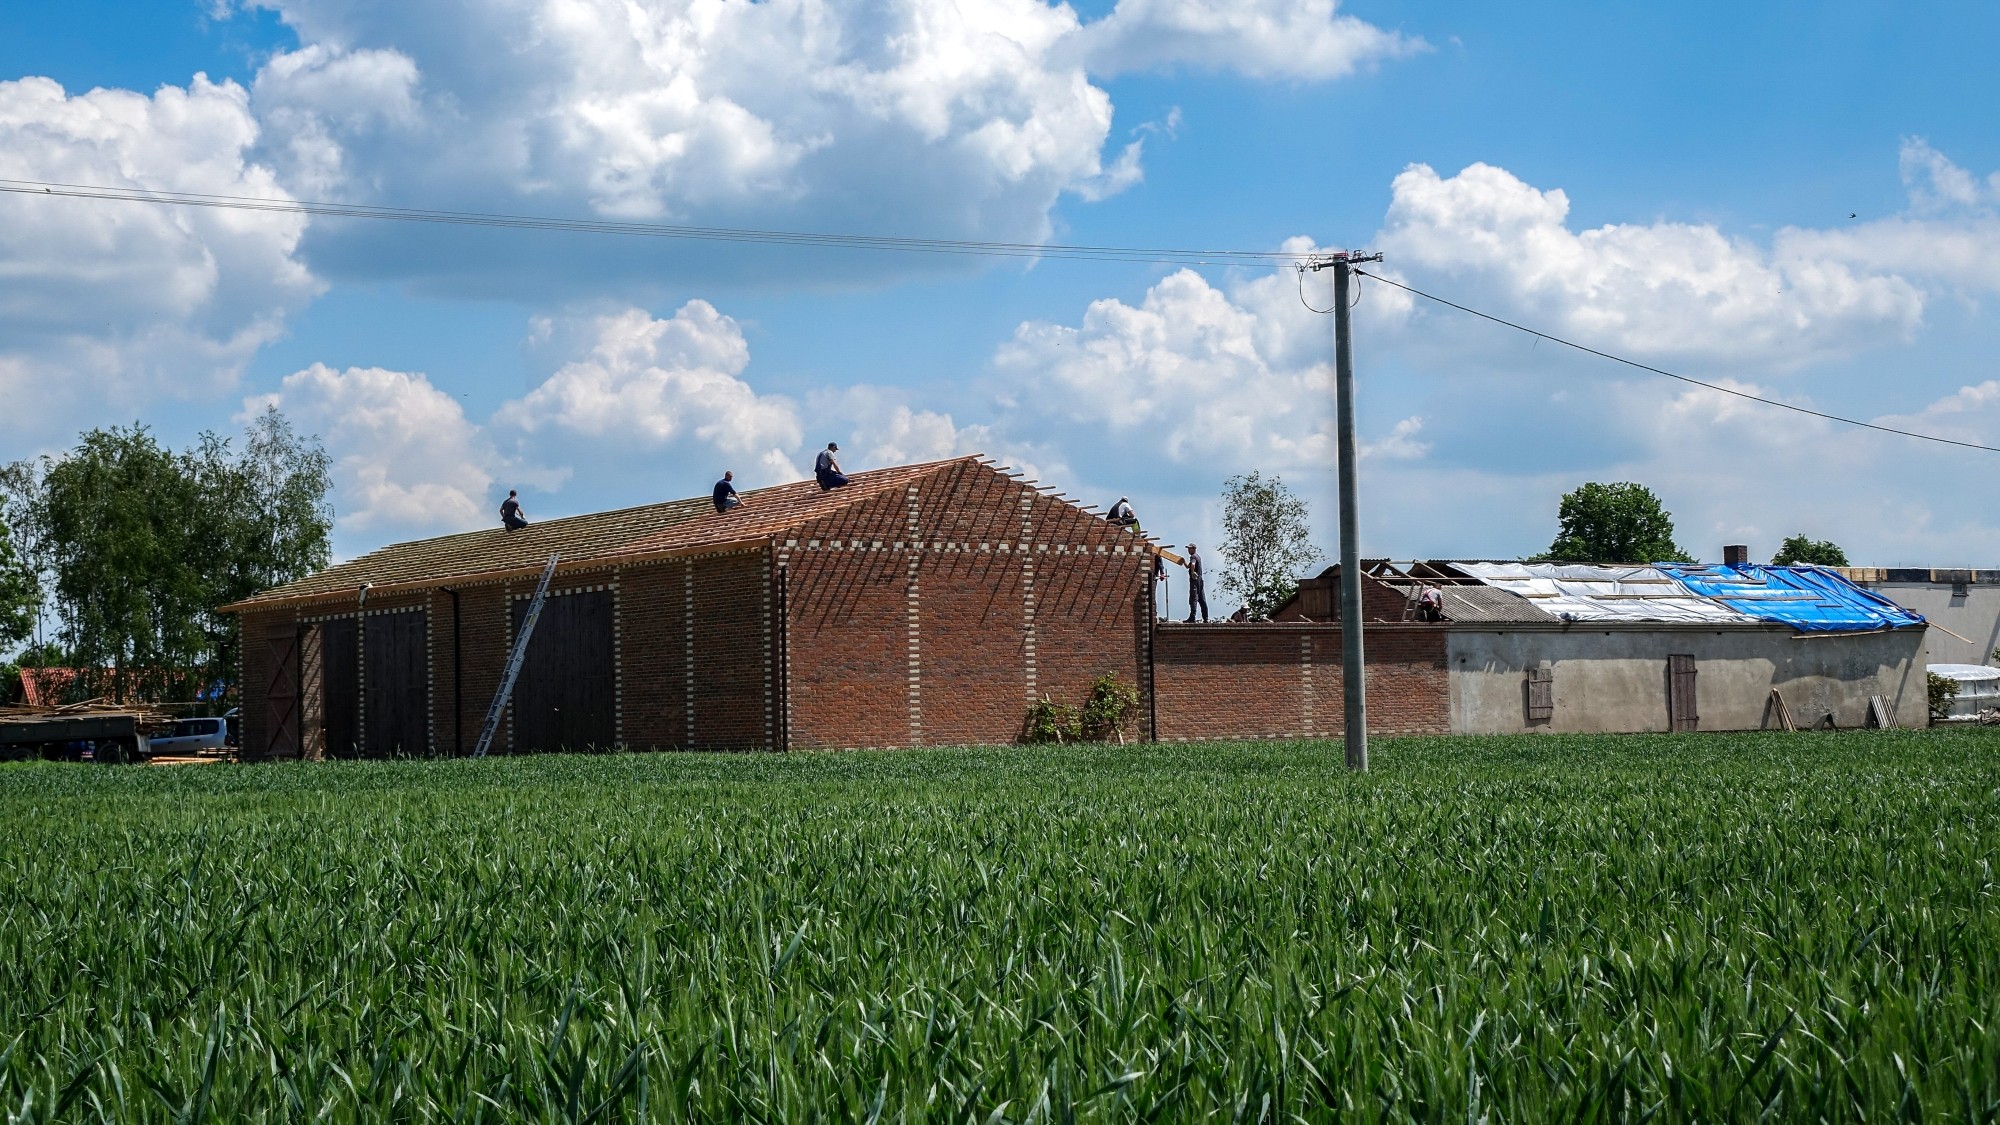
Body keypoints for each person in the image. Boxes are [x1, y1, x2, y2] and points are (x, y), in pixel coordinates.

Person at [1184, 543, 1209, 623]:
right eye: (1188, 549)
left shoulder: (1193, 556)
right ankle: (1205, 618)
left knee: (1193, 598)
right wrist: (1183, 561)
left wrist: (1192, 572)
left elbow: (1193, 565)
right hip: (1200, 580)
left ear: (1194, 549)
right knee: (1202, 599)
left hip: (1195, 580)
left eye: (1189, 549)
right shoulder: (1197, 556)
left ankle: (1192, 617)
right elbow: (1189, 566)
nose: (1188, 550)